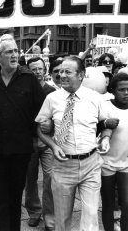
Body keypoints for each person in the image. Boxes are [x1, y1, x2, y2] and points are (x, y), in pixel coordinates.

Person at [0, 34, 45, 231]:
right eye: (9, 52)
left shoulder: (28, 78)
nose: (14, 55)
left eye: (15, 51)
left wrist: (42, 133)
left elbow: (43, 109)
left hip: (20, 150)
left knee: (14, 197)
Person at [35, 56, 112, 231]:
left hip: (91, 164)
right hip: (63, 165)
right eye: (60, 71)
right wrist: (53, 146)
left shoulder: (94, 98)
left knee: (91, 216)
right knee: (62, 220)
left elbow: (107, 123)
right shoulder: (51, 99)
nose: (62, 75)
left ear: (81, 75)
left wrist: (106, 137)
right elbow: (39, 128)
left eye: (67, 72)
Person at [25, 57, 55, 230]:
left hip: (48, 141)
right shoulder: (23, 90)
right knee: (30, 179)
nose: (37, 72)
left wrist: (51, 124)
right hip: (29, 141)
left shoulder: (52, 91)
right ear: (28, 70)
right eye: (33, 69)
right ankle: (34, 212)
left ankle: (50, 217)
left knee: (50, 178)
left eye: (39, 69)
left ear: (45, 70)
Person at [100, 73, 128, 231]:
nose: (126, 92)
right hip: (106, 164)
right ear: (113, 90)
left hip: (126, 163)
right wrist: (105, 124)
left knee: (127, 202)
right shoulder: (105, 106)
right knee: (108, 203)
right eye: (121, 89)